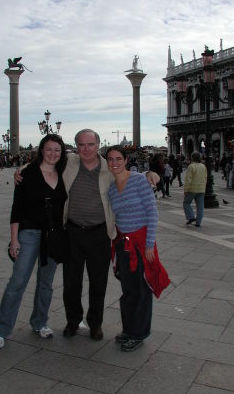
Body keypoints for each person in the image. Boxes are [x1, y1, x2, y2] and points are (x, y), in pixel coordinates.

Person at [15, 129, 159, 341]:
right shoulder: (70, 162)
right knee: (71, 282)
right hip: (72, 231)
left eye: (90, 144)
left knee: (98, 282)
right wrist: (23, 168)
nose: (86, 149)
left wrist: (149, 174)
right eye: (81, 145)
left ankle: (95, 324)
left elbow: (127, 173)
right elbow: (46, 162)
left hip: (99, 233)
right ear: (76, 147)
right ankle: (73, 321)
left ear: (98, 145)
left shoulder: (108, 168)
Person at [0, 134, 68, 349]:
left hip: (53, 236)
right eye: (48, 149)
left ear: (62, 153)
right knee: (17, 282)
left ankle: (40, 321)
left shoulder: (64, 173)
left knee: (46, 283)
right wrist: (14, 240)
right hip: (29, 234)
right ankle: (1, 329)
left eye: (57, 150)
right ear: (41, 150)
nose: (52, 153)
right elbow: (17, 208)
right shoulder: (27, 173)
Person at [106, 146, 168, 352]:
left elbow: (152, 212)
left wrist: (150, 244)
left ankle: (139, 333)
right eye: (110, 159)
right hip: (123, 243)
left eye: (118, 158)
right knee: (128, 289)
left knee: (142, 290)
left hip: (142, 243)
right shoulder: (111, 188)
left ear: (125, 160)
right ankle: (128, 329)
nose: (114, 162)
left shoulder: (139, 180)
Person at [183, 151, 207, 227]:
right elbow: (205, 178)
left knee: (186, 203)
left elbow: (188, 179)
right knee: (200, 207)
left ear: (192, 157)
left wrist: (186, 190)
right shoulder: (203, 166)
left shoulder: (191, 166)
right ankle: (198, 223)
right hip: (201, 189)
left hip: (192, 189)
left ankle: (191, 216)